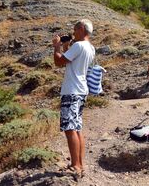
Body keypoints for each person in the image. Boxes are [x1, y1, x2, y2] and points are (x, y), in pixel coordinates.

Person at [52, 19, 96, 178]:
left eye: (75, 29)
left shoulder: (78, 46)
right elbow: (72, 60)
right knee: (77, 128)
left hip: (71, 90)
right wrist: (65, 47)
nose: (73, 32)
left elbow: (59, 62)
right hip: (82, 90)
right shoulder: (90, 48)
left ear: (82, 29)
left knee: (70, 129)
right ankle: (80, 165)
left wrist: (56, 46)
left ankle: (75, 165)